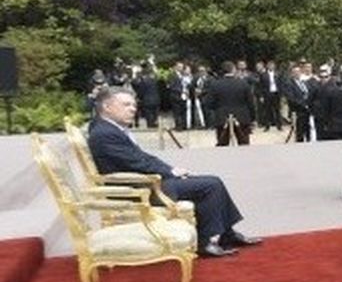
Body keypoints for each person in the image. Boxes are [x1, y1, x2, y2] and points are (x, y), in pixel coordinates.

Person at [86, 86, 261, 258]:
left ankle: (225, 234)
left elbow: (143, 158)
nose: (133, 109)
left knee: (208, 182)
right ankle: (205, 242)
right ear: (107, 107)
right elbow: (136, 162)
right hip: (138, 190)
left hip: (144, 182)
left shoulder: (107, 128)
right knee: (211, 185)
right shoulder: (104, 133)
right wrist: (170, 172)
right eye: (126, 105)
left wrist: (171, 170)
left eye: (133, 104)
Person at [203, 60, 255, 146]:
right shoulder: (243, 83)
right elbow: (250, 103)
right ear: (233, 70)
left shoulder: (215, 85)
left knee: (223, 146)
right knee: (244, 145)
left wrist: (217, 108)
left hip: (222, 117)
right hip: (242, 117)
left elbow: (208, 103)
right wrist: (252, 118)